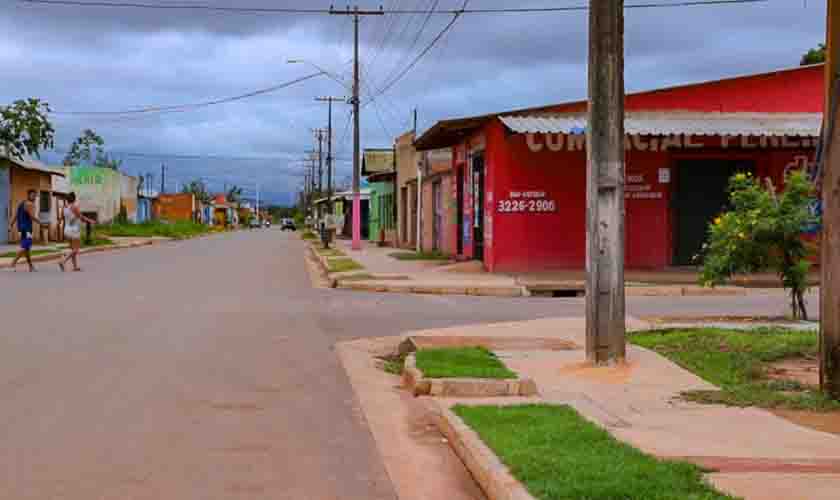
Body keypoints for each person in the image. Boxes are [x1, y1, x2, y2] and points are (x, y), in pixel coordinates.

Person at [8, 189, 44, 272]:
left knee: (27, 248)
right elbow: (32, 217)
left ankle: (31, 266)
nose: (34, 197)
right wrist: (41, 223)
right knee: (25, 246)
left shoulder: (21, 203)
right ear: (28, 195)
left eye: (35, 195)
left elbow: (16, 215)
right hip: (27, 228)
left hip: (20, 228)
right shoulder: (30, 204)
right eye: (32, 195)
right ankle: (12, 263)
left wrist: (11, 225)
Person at [59, 192, 95, 272]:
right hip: (74, 229)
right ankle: (63, 261)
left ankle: (75, 266)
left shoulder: (64, 207)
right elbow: (81, 217)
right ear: (74, 198)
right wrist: (90, 221)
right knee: (76, 249)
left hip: (67, 229)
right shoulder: (74, 207)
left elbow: (62, 218)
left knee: (72, 249)